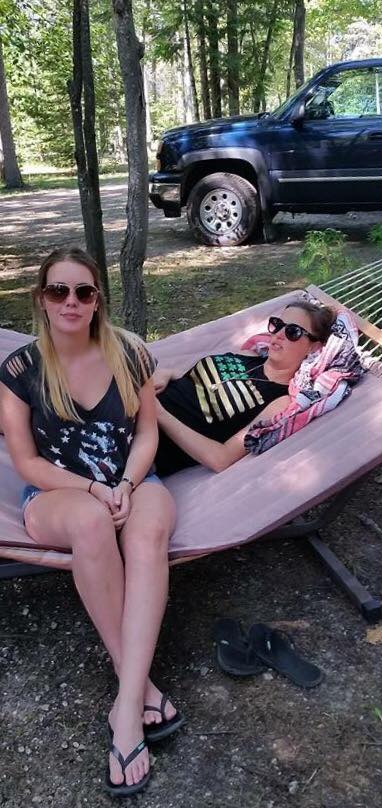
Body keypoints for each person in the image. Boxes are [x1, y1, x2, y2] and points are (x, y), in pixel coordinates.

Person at [0, 247, 181, 798]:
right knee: (91, 524)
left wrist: (125, 483)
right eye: (59, 291)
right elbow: (27, 461)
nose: (71, 302)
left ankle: (126, 703)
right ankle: (137, 697)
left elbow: (148, 434)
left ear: (97, 299)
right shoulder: (20, 369)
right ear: (42, 299)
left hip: (132, 483)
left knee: (148, 530)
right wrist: (94, 490)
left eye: (84, 291)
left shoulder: (129, 354)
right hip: (57, 496)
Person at [154, 301, 335, 476]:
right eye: (277, 324)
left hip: (146, 440)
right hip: (138, 400)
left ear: (314, 347)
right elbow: (196, 381)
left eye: (292, 331)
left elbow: (221, 459)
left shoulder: (280, 401)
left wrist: (159, 414)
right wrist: (168, 373)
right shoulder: (248, 355)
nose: (279, 334)